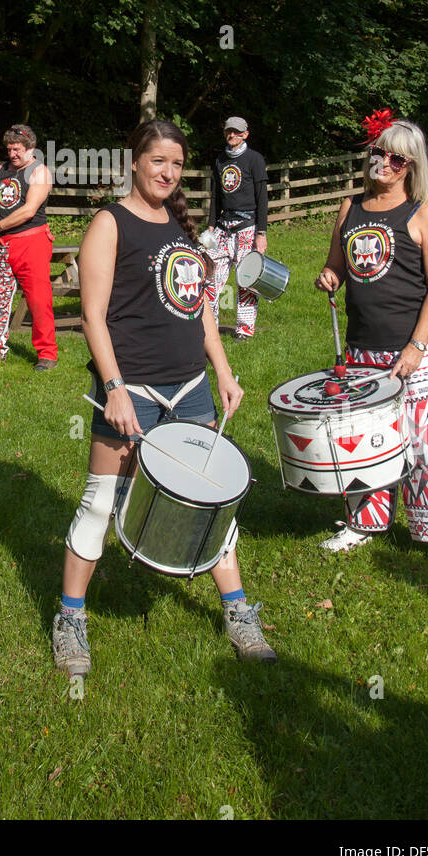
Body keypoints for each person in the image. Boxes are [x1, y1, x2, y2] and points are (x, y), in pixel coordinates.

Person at [52, 119, 276, 679]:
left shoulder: (183, 229)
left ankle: (238, 611)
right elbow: (93, 316)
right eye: (158, 161)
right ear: (134, 162)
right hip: (135, 392)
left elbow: (200, 306)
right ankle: (70, 618)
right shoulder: (110, 223)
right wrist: (114, 389)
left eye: (176, 164)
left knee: (211, 499)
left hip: (192, 389)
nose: (168, 172)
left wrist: (223, 370)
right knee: (102, 502)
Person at [314, 112, 428, 572]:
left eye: (396, 158)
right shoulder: (350, 208)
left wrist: (416, 347)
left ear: (411, 166)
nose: (383, 162)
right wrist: (329, 276)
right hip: (361, 350)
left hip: (413, 352)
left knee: (424, 440)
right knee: (367, 440)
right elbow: (337, 264)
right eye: (378, 152)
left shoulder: (422, 215)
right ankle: (364, 522)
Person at [0, 123, 58, 370]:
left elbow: (28, 210)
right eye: (9, 149)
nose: (12, 154)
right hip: (4, 242)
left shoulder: (39, 172)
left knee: (38, 299)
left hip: (32, 241)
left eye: (17, 149)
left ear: (31, 148)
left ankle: (47, 354)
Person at [206, 117, 269, 340]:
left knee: (246, 279)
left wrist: (261, 233)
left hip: (248, 228)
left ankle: (244, 330)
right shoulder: (221, 160)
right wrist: (211, 228)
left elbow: (262, 198)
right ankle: (209, 328)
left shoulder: (255, 159)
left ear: (245, 134)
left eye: (236, 132)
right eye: (228, 132)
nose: (232, 135)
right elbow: (215, 196)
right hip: (224, 226)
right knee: (210, 276)